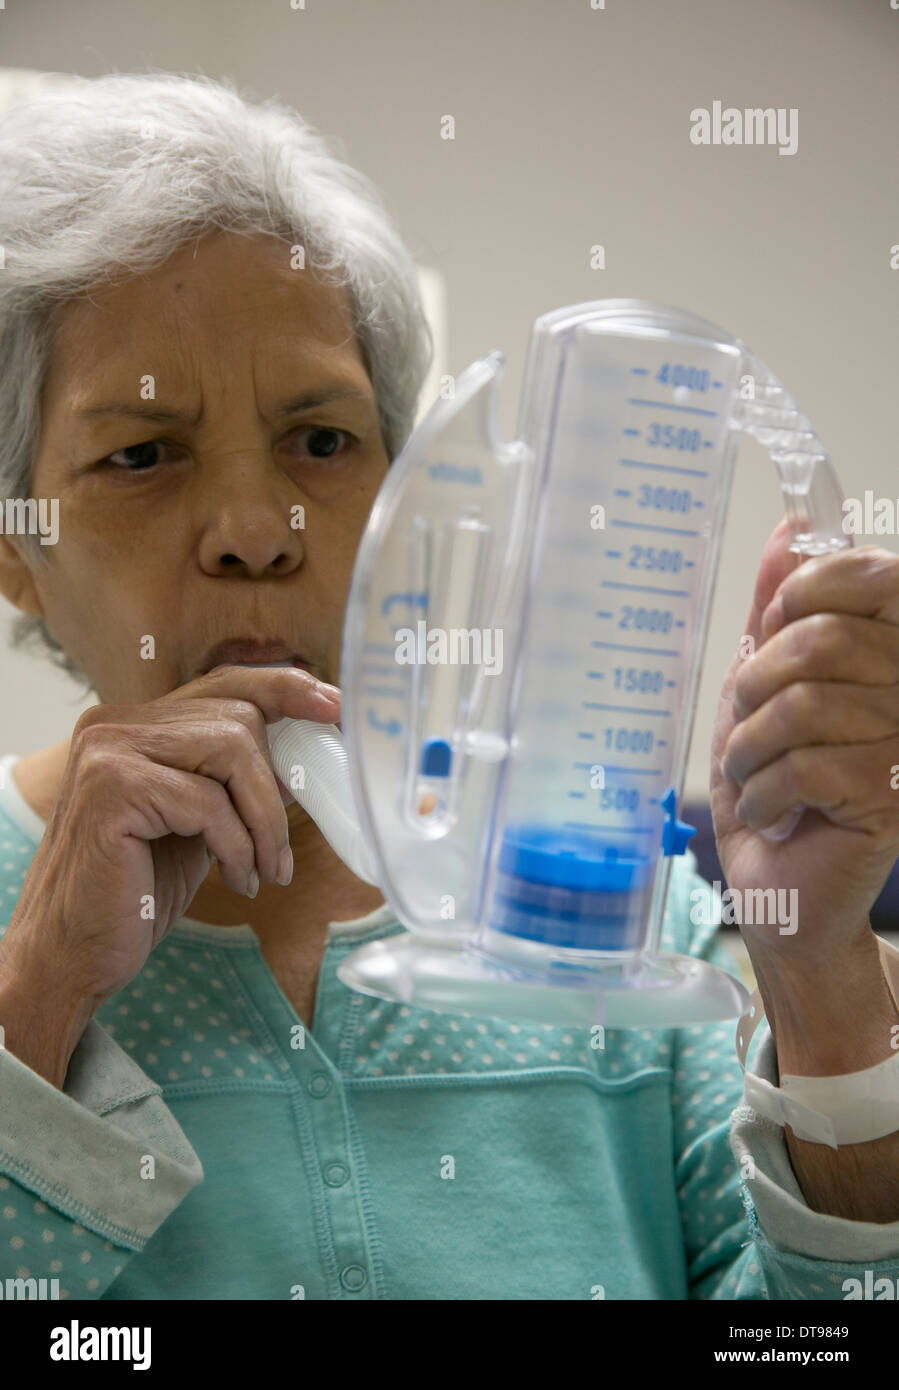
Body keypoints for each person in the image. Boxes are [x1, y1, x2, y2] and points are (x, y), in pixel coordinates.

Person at [0, 71, 898, 1303]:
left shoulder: (605, 916)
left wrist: (819, 974)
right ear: (17, 553)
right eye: (142, 454)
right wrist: (35, 994)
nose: (257, 530)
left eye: (322, 440)